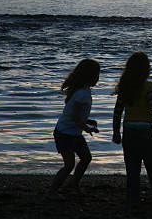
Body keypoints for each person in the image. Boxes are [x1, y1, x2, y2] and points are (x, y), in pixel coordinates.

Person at [112, 51, 152, 206]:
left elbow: (117, 111)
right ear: (147, 69)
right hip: (145, 131)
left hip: (129, 131)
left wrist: (116, 132)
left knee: (132, 168)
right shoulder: (149, 86)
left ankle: (133, 199)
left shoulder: (125, 88)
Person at [48, 58, 100, 199]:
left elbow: (76, 114)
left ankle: (73, 184)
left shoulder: (83, 90)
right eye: (97, 74)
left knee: (86, 158)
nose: (98, 78)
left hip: (73, 132)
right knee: (69, 164)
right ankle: (52, 192)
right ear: (89, 76)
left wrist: (87, 120)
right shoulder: (81, 94)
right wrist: (87, 128)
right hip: (64, 133)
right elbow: (75, 117)